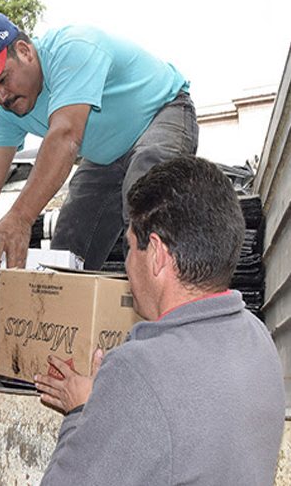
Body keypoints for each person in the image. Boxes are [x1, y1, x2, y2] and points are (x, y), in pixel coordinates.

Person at [33, 156, 285, 485]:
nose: (126, 264)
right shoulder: (256, 336)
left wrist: (84, 410)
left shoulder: (138, 370)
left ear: (156, 254)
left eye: (128, 248)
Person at [0, 12, 199, 271]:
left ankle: (168, 311)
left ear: (25, 51)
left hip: (162, 112)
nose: (1, 96)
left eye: (3, 79)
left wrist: (21, 216)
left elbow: (65, 135)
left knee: (146, 190)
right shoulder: (5, 110)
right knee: (68, 247)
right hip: (106, 158)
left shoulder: (72, 48)